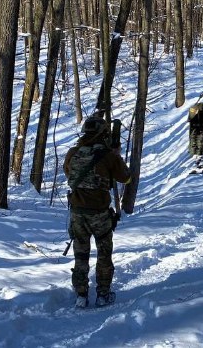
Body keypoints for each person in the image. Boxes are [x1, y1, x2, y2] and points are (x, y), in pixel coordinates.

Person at [64, 114, 131, 308]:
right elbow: (126, 178)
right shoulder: (108, 156)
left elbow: (69, 173)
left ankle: (81, 295)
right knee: (104, 254)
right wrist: (115, 157)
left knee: (80, 254)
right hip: (100, 213)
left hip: (77, 212)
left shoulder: (73, 152)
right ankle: (102, 294)